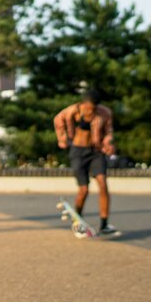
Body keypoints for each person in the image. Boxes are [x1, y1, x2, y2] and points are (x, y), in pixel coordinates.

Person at [54, 89, 120, 236]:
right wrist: (62, 138)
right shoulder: (72, 111)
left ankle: (104, 224)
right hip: (78, 151)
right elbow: (58, 120)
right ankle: (78, 222)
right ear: (83, 104)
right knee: (84, 189)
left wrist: (108, 142)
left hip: (96, 151)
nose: (90, 111)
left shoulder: (104, 113)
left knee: (103, 184)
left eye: (93, 109)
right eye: (88, 108)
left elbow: (109, 131)